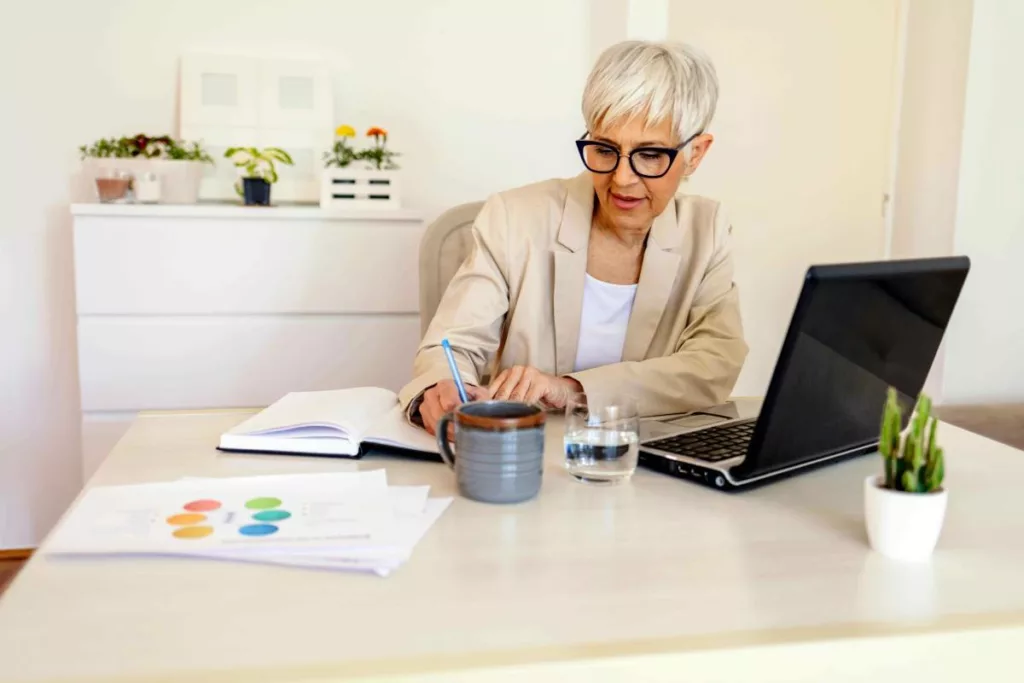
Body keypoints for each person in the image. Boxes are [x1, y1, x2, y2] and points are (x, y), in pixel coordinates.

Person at [400, 40, 748, 436]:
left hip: (646, 463)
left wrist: (573, 391)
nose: (622, 178)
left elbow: (714, 365)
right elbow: (450, 347)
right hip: (528, 455)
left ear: (696, 154)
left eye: (650, 155)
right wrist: (438, 388)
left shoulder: (707, 229)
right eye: (604, 149)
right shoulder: (514, 218)